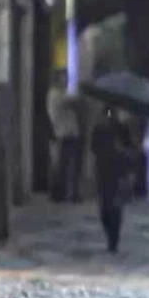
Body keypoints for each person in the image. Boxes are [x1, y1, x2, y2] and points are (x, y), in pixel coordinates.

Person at [90, 107, 135, 253]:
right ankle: (111, 235)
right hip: (103, 170)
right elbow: (93, 147)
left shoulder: (121, 128)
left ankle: (113, 240)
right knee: (105, 207)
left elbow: (130, 148)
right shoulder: (98, 129)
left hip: (118, 170)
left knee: (115, 205)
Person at [47, 73, 83, 202]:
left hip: (69, 133)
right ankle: (60, 194)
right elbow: (74, 101)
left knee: (66, 166)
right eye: (64, 79)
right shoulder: (55, 95)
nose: (66, 82)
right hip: (64, 134)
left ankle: (66, 194)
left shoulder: (60, 94)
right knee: (64, 166)